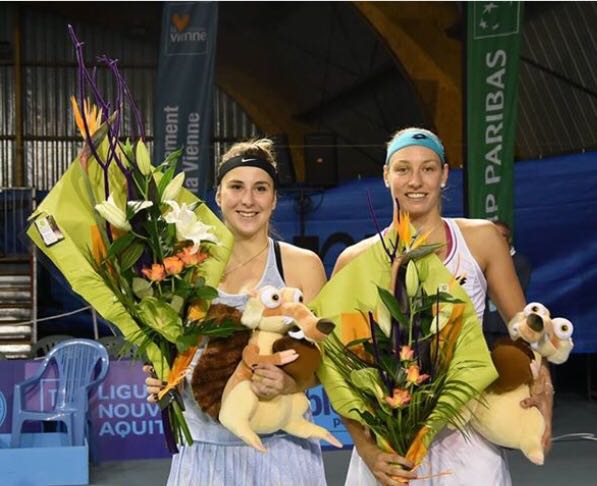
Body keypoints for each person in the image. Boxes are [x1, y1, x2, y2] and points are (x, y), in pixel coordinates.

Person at [332, 128, 554, 486]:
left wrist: (544, 383)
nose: (415, 181)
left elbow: (524, 331)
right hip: (392, 449)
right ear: (386, 175)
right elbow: (340, 371)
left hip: (470, 442)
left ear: (445, 174)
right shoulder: (354, 260)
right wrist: (368, 450)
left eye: (428, 168)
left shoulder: (481, 239)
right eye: (403, 169)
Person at [146, 139, 328, 485]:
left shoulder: (302, 266)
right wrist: (163, 380)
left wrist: (289, 382)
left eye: (261, 188)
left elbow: (326, 364)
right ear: (218, 195)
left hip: (282, 454)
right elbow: (174, 352)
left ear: (274, 199)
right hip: (203, 454)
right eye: (236, 187)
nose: (248, 200)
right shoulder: (186, 268)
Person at [483, 220, 533, 349]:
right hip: (484, 325)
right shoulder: (480, 261)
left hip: (508, 326)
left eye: (500, 236)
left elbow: (513, 291)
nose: (495, 240)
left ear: (508, 239)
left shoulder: (520, 262)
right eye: (492, 236)